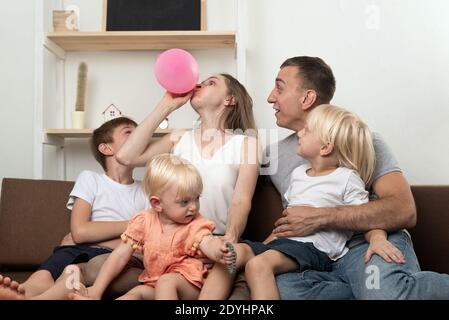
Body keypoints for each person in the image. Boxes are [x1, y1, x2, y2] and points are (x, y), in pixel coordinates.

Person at [266, 56, 449, 299]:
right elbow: (230, 184)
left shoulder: (361, 140)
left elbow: (404, 210)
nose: (270, 97)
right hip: (314, 256)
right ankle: (364, 290)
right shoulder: (273, 156)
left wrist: (320, 218)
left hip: (366, 243)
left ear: (307, 98)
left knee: (384, 293)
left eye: (279, 88)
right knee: (283, 290)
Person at [219, 104, 406, 299]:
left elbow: (366, 216)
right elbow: (287, 223)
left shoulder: (346, 178)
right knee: (230, 254)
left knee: (257, 265)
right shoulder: (298, 174)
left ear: (325, 147)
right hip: (287, 243)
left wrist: (377, 239)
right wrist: (263, 246)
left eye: (307, 130)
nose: (300, 133)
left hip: (314, 249)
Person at [0, 117, 149, 300]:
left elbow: (146, 244)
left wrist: (90, 239)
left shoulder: (148, 190)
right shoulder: (90, 179)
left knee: (75, 272)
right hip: (77, 250)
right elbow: (80, 231)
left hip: (119, 256)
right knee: (45, 275)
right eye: (129, 132)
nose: (139, 137)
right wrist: (133, 226)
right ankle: (21, 293)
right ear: (106, 148)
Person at [70, 154, 232, 300]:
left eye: (196, 198)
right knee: (136, 293)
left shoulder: (194, 223)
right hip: (154, 282)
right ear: (157, 203)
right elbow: (119, 256)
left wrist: (218, 250)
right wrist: (97, 289)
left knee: (166, 282)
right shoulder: (144, 221)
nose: (194, 207)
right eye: (184, 201)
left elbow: (207, 241)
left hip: (189, 284)